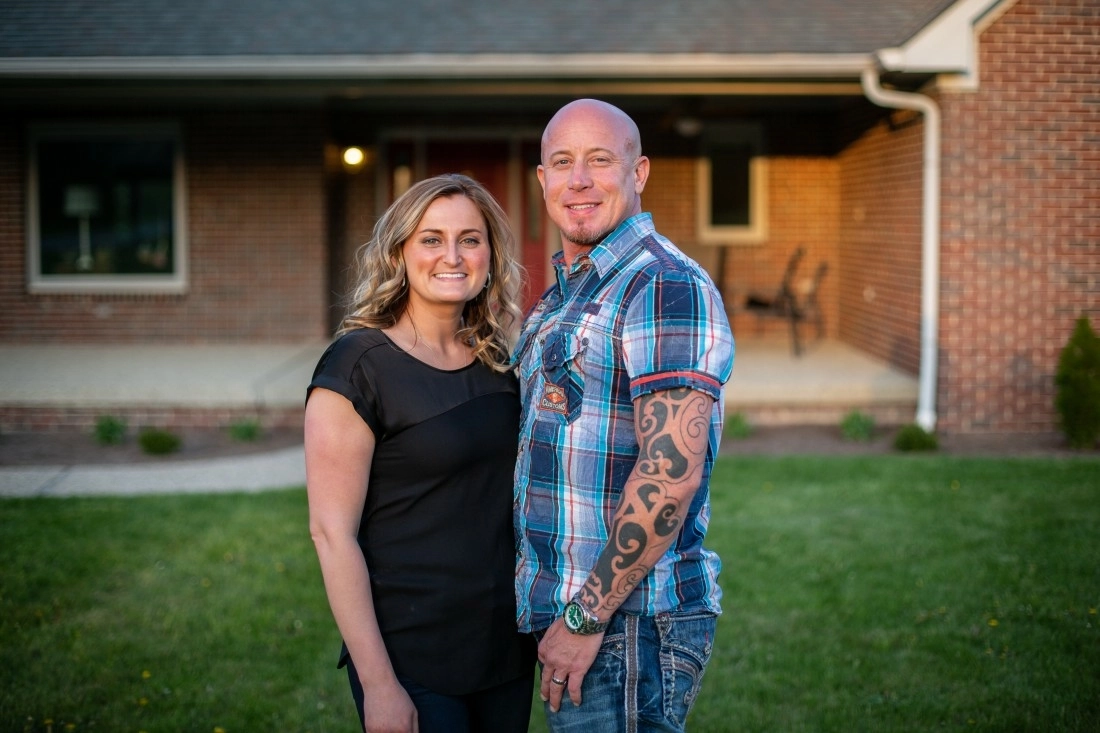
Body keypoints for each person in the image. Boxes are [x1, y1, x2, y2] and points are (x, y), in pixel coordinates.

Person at [512, 99, 735, 732]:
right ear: (543, 180)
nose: (578, 179)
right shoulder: (574, 289)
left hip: (627, 626)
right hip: (589, 620)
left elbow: (669, 474)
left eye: (600, 160)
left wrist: (585, 617)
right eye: (562, 162)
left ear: (639, 173)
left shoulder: (659, 284)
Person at [305, 173, 535, 733]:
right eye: (431, 239)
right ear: (400, 252)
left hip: (504, 645)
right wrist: (381, 684)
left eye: (470, 239)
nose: (451, 256)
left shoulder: (497, 359)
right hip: (412, 656)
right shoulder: (358, 365)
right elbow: (332, 534)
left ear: (489, 254)